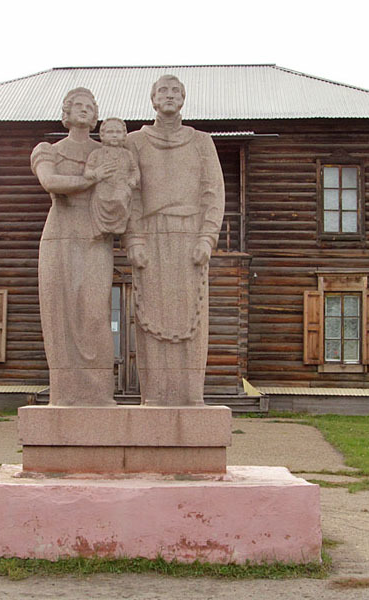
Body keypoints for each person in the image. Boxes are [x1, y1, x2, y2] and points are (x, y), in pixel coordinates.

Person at [124, 75, 225, 406]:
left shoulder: (201, 142)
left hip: (189, 237)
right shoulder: (135, 142)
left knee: (190, 318)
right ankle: (153, 395)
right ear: (152, 99)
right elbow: (131, 194)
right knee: (152, 315)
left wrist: (207, 237)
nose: (169, 96)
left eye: (175, 91)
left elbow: (213, 192)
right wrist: (134, 239)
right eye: (162, 91)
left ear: (183, 99)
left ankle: (190, 395)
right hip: (151, 236)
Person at [30, 88, 118, 406]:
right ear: (66, 114)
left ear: (96, 116)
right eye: (77, 106)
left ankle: (98, 392)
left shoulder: (108, 151)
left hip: (96, 236)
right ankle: (65, 392)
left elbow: (123, 188)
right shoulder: (48, 150)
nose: (83, 110)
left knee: (95, 312)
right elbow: (51, 183)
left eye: (89, 106)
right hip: (60, 235)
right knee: (60, 313)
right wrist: (91, 178)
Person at [86, 118, 140, 238]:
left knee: (120, 198)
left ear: (124, 135)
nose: (114, 135)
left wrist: (133, 179)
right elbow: (88, 169)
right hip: (103, 187)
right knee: (101, 196)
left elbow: (135, 171)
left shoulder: (127, 154)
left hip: (121, 186)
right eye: (110, 132)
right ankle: (102, 227)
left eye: (118, 132)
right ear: (103, 135)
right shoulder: (97, 153)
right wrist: (92, 173)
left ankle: (118, 226)